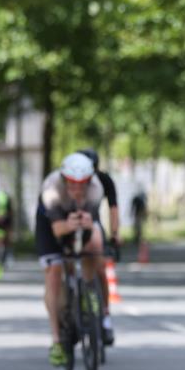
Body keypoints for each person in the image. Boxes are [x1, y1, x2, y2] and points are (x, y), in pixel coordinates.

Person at [36, 153, 105, 367]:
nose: (77, 189)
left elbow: (92, 226)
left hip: (78, 220)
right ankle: (56, 340)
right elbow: (57, 230)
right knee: (55, 271)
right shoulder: (51, 189)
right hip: (51, 226)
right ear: (65, 180)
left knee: (94, 245)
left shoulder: (96, 189)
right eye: (73, 184)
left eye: (82, 184)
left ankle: (88, 288)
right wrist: (70, 225)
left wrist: (87, 224)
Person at [77, 148, 118, 346]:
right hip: (70, 222)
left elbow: (113, 209)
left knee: (100, 267)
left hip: (93, 224)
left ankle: (105, 316)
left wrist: (115, 236)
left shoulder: (104, 180)